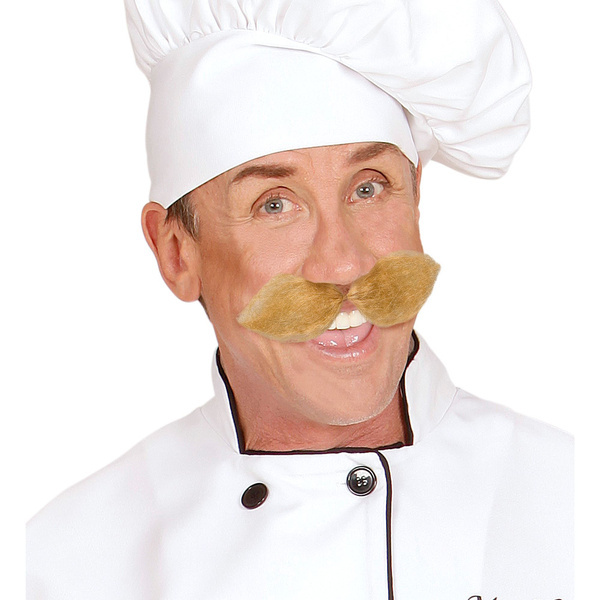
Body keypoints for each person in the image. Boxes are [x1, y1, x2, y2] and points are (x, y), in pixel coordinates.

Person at [26, 0, 574, 598]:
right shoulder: (69, 567)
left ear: (418, 198)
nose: (344, 265)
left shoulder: (568, 501)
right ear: (177, 253)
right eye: (275, 205)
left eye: (369, 188)